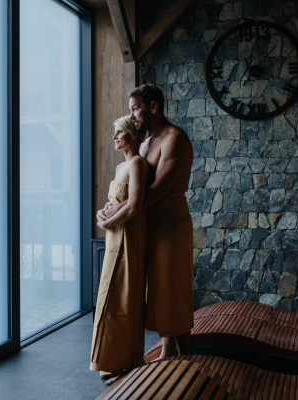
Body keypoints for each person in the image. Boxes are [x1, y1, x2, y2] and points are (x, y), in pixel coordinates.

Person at [97, 84, 194, 362]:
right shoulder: (147, 141)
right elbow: (134, 188)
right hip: (145, 221)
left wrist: (117, 214)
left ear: (153, 107)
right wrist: (111, 207)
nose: (131, 114)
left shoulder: (175, 138)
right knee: (156, 287)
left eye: (134, 108)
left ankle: (187, 355)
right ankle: (166, 349)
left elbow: (158, 190)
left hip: (170, 222)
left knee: (172, 286)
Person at [90, 116, 148, 385]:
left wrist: (108, 222)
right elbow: (115, 201)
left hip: (128, 236)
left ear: (133, 136)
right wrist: (103, 214)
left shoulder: (137, 164)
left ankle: (125, 363)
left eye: (119, 132)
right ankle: (112, 361)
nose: (114, 136)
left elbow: (135, 206)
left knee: (125, 297)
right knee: (109, 297)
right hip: (115, 235)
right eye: (113, 132)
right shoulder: (120, 166)